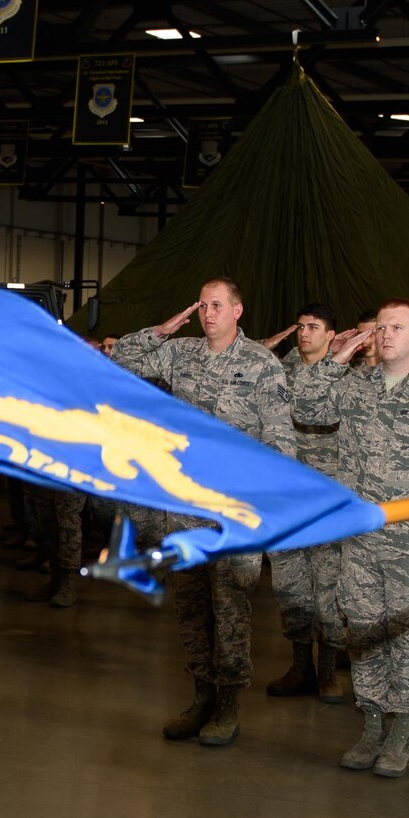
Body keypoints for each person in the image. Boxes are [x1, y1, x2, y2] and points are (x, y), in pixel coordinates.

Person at [110, 278, 295, 747]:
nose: (207, 313)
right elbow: (121, 358)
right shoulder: (182, 353)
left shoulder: (261, 365)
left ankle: (228, 705)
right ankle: (201, 697)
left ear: (238, 310)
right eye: (202, 305)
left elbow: (280, 443)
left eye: (217, 305)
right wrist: (162, 330)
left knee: (230, 608)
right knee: (191, 608)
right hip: (185, 506)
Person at [292, 300, 409, 777]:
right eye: (381, 327)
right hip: (362, 538)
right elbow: (305, 404)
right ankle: (371, 723)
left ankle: (400, 733)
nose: (387, 334)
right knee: (366, 630)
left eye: (398, 328)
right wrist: (334, 359)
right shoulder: (354, 387)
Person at [264, 303, 347, 703]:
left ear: (332, 334)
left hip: (326, 496)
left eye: (313, 327)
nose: (304, 333)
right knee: (291, 586)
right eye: (300, 326)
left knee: (327, 587)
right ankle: (301, 666)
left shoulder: (344, 376)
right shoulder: (279, 371)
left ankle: (329, 670)